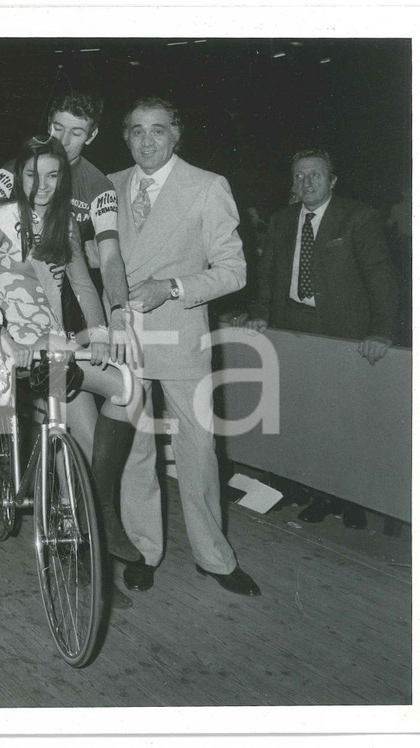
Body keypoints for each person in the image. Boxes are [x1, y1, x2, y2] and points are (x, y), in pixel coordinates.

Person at [0, 91, 141, 586]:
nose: (42, 185)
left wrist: (103, 332)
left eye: (53, 176)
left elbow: (88, 280)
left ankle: (87, 520)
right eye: (33, 175)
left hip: (50, 335)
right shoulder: (2, 206)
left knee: (120, 392)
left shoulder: (76, 212)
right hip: (0, 324)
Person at [103, 96, 260, 597]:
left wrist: (171, 287)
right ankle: (142, 549)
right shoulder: (107, 186)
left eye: (158, 130)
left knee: (199, 451)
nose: (147, 140)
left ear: (176, 134)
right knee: (134, 450)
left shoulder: (208, 186)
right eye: (137, 130)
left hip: (181, 339)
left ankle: (214, 557)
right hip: (124, 339)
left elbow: (233, 271)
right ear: (125, 137)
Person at [233, 149, 400, 528]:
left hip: (343, 333)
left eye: (315, 175)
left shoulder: (359, 217)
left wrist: (380, 331)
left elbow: (381, 278)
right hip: (292, 328)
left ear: (332, 180)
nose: (306, 182)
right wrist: (260, 313)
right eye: (299, 176)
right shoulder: (281, 220)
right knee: (296, 412)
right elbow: (267, 277)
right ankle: (297, 485)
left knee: (341, 417)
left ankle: (340, 497)